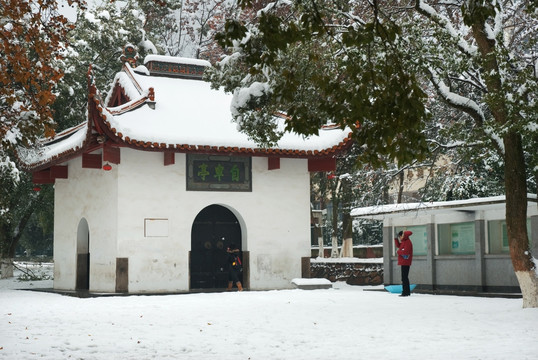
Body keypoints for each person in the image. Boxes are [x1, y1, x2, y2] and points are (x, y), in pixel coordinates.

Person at [394, 230, 413, 296]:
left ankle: (406, 292)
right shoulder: (404, 242)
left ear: (403, 236)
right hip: (404, 261)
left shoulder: (407, 242)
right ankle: (406, 291)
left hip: (406, 261)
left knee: (404, 277)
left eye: (400, 236)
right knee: (404, 277)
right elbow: (399, 246)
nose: (400, 238)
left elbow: (405, 252)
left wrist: (398, 252)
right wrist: (395, 239)